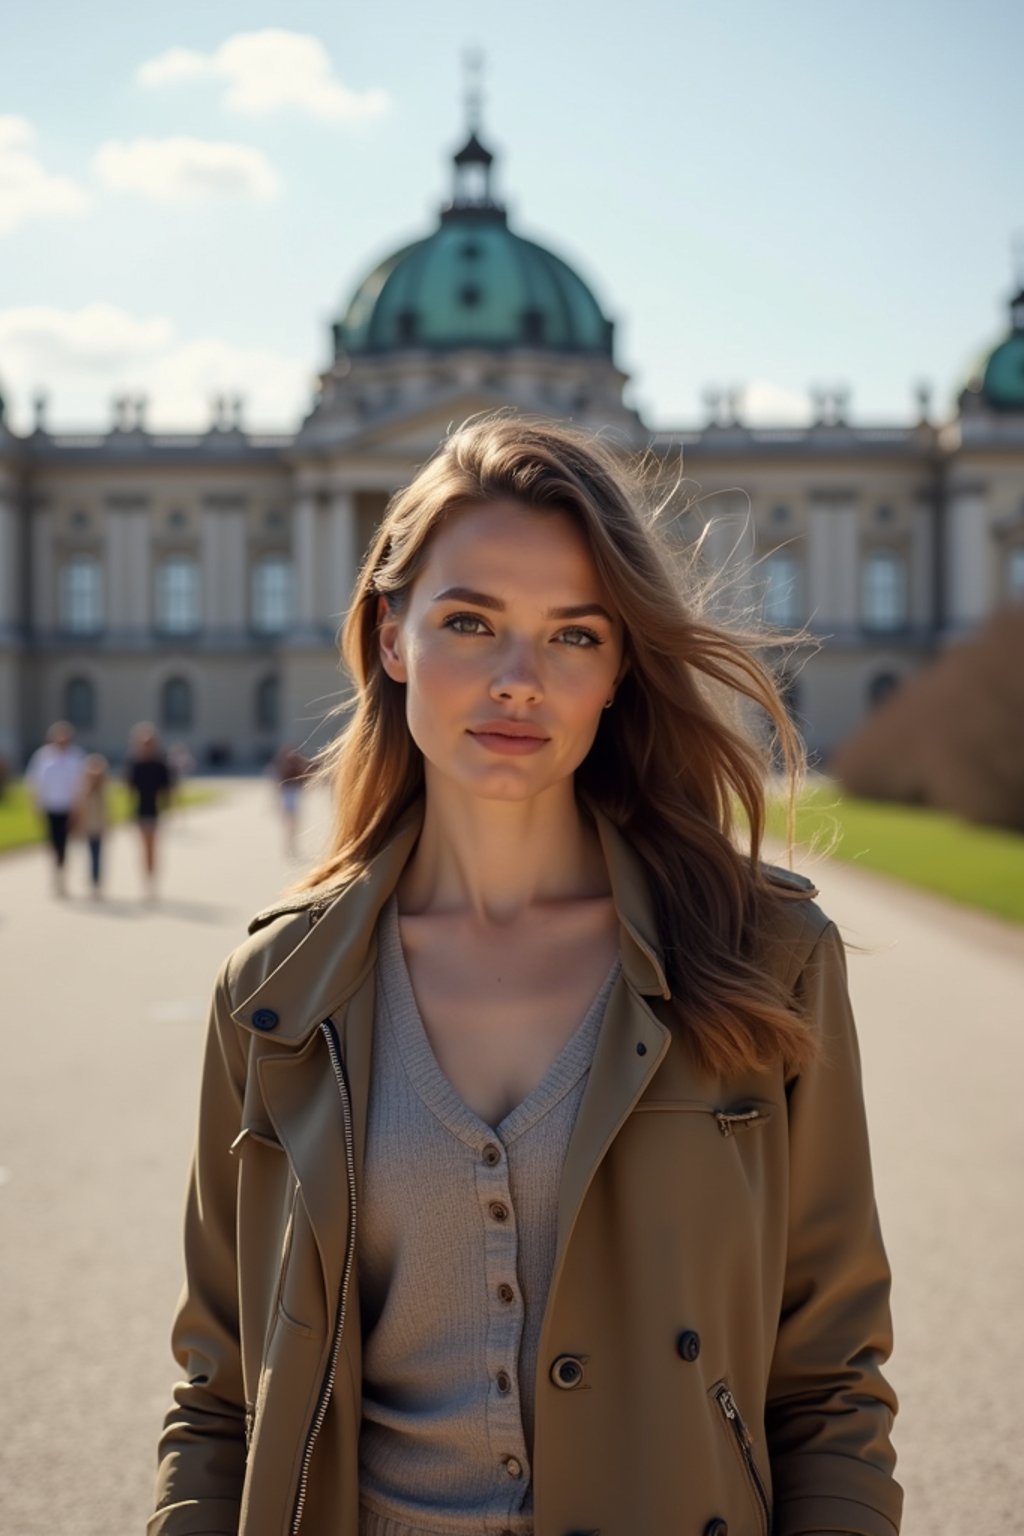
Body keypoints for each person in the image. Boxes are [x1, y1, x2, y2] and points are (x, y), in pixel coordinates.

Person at [150, 415, 902, 1536]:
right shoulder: (274, 991)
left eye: (573, 636)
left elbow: (831, 1382)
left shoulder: (764, 959)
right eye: (470, 622)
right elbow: (219, 1402)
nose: (518, 680)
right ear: (391, 635)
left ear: (617, 671)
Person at [26, 720, 86, 897]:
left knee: (64, 843)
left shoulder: (76, 756)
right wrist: (35, 806)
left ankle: (62, 874)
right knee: (52, 842)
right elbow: (34, 783)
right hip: (49, 806)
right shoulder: (43, 756)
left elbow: (81, 785)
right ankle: (56, 871)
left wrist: (79, 809)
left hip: (68, 807)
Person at [125, 723, 173, 900]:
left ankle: (152, 881)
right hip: (140, 811)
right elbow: (130, 789)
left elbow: (167, 790)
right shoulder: (135, 764)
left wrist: (169, 810)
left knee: (153, 848)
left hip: (155, 811)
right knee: (143, 848)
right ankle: (146, 880)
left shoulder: (159, 765)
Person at [74, 753, 110, 897]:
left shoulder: (103, 790)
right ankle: (92, 881)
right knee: (90, 856)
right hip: (88, 827)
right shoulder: (84, 790)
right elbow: (81, 810)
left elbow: (106, 810)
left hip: (99, 827)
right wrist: (79, 826)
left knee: (97, 856)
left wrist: (107, 825)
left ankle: (97, 882)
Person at [271, 742, 312, 856]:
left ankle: (292, 843)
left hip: (294, 792)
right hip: (287, 793)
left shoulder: (297, 764)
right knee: (289, 820)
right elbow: (276, 781)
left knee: (294, 821)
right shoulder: (281, 765)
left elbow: (305, 777)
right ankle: (289, 843)